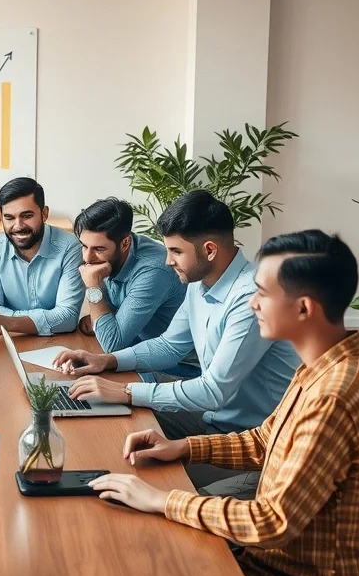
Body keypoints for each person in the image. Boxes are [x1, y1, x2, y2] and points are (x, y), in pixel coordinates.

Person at [89, 230, 359, 576]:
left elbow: (271, 522)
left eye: (263, 294)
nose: (252, 304)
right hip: (285, 559)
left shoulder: (333, 396)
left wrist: (163, 500)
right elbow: (267, 440)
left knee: (148, 544)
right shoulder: (325, 364)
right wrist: (183, 447)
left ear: (303, 308)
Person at [53, 191, 299, 493]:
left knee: (144, 480)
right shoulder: (200, 282)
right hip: (214, 421)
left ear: (209, 250)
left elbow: (213, 391)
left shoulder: (251, 298)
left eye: (175, 252)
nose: (167, 261)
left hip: (253, 445)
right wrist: (107, 361)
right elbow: (169, 346)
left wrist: (126, 391)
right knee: (107, 434)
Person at [73, 197, 187, 353]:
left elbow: (112, 344)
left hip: (176, 366)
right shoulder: (111, 257)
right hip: (137, 350)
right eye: (84, 246)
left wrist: (93, 287)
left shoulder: (153, 271)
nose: (87, 258)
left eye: (98, 249)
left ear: (125, 243)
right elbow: (109, 318)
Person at [0, 177, 82, 336]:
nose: (18, 226)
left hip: (58, 343)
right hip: (10, 340)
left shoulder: (69, 246)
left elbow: (68, 317)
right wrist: (46, 320)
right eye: (9, 217)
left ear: (44, 214)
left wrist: (5, 321)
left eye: (27, 216)